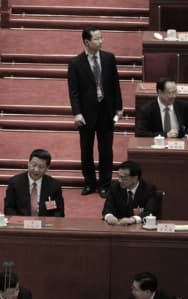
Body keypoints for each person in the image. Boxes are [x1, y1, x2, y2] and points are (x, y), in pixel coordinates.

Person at [68, 26, 123, 197]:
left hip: (107, 112)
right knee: (86, 150)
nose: (101, 41)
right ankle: (90, 182)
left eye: (101, 38)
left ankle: (105, 184)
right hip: (86, 114)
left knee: (106, 150)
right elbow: (74, 91)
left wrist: (119, 108)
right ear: (86, 42)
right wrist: (77, 113)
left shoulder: (109, 58)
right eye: (97, 39)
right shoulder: (76, 63)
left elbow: (115, 84)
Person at [3, 148, 64, 217]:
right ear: (28, 163)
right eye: (34, 165)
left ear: (47, 168)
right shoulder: (15, 182)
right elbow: (9, 208)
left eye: (41, 167)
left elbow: (59, 212)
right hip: (21, 223)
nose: (36, 170)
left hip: (44, 224)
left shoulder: (54, 185)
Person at [102, 160, 158, 225]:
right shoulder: (115, 187)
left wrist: (133, 219)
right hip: (118, 228)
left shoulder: (148, 189)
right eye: (119, 176)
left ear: (135, 178)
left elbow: (150, 212)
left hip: (140, 229)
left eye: (123, 178)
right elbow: (107, 208)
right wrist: (109, 216)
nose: (119, 180)